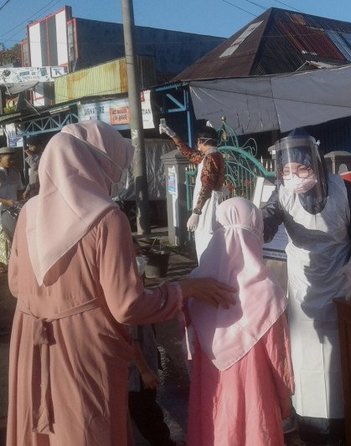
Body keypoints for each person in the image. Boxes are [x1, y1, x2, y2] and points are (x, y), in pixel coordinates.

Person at [6, 121, 236, 446]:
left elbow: (16, 284)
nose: (116, 177)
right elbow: (128, 305)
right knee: (86, 430)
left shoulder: (29, 212)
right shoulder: (106, 218)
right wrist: (184, 289)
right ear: (97, 163)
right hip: (81, 349)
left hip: (30, 341)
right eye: (115, 165)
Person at [262, 129, 351, 444]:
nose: (294, 177)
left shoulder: (345, 191)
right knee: (305, 351)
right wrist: (248, 226)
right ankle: (309, 419)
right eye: (286, 171)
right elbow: (266, 223)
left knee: (341, 353)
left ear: (315, 163)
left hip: (341, 279)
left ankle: (345, 417)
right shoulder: (282, 193)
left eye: (301, 169)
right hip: (304, 285)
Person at [186, 197, 294, 445]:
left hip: (209, 389)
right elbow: (279, 356)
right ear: (256, 231)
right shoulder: (267, 291)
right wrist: (285, 398)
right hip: (256, 391)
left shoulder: (198, 286)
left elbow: (189, 345)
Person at [159, 122, 226, 261]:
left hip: (208, 206)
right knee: (208, 241)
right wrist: (173, 135)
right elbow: (189, 153)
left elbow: (207, 186)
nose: (197, 145)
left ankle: (208, 276)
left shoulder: (211, 158)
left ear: (202, 141)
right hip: (209, 204)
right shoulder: (212, 156)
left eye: (198, 142)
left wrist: (197, 212)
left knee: (206, 241)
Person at [0, 145, 24, 273]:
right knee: (4, 241)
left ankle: (16, 263)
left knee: (16, 237)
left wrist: (19, 200)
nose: (12, 162)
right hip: (2, 210)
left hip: (14, 210)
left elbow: (20, 189)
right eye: (9, 159)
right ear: (0, 159)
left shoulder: (16, 172)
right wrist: (6, 202)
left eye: (13, 159)